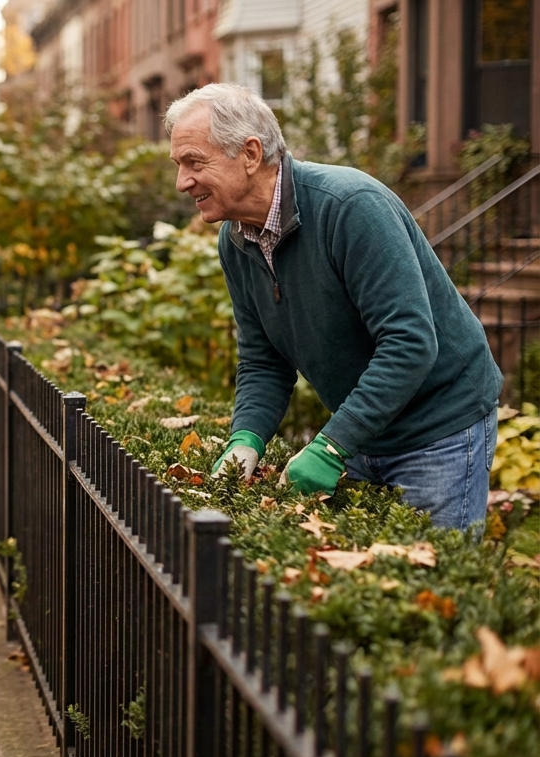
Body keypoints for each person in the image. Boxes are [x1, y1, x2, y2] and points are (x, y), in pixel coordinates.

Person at [165, 83, 502, 531]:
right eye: (178, 165)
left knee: (428, 588)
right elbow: (264, 360)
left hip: (438, 429)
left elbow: (410, 343)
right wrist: (246, 437)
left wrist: (331, 447)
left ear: (249, 153)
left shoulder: (350, 207)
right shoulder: (236, 240)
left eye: (194, 162)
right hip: (365, 431)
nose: (182, 182)